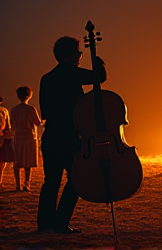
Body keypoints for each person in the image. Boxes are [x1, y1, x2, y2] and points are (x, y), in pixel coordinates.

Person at [37, 36, 107, 234]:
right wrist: (97, 58)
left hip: (51, 136)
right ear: (69, 54)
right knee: (76, 179)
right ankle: (60, 222)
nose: (80, 55)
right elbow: (99, 77)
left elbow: (47, 112)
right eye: (78, 51)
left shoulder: (47, 78)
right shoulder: (73, 74)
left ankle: (44, 223)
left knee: (50, 182)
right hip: (70, 137)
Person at [11, 86, 42, 192]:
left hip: (18, 137)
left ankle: (17, 185)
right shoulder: (31, 109)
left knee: (18, 161)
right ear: (29, 95)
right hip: (30, 137)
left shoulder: (14, 110)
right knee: (28, 162)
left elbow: (13, 126)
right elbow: (38, 122)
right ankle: (26, 184)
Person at [0, 96, 13, 191]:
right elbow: (8, 128)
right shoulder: (4, 111)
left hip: (1, 137)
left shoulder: (4, 111)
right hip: (1, 137)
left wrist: (4, 137)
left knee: (1, 162)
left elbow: (8, 128)